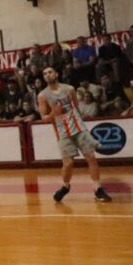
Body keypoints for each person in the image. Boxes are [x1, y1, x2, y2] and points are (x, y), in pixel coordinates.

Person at [38, 67, 112, 203]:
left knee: (91, 157)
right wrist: (54, 113)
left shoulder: (69, 89)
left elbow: (76, 107)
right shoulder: (43, 96)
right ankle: (65, 186)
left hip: (79, 128)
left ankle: (98, 189)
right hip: (62, 131)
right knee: (68, 163)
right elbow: (44, 118)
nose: (47, 75)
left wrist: (77, 119)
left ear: (56, 74)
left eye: (50, 72)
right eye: (44, 73)